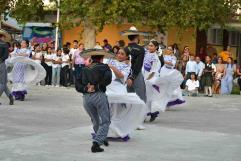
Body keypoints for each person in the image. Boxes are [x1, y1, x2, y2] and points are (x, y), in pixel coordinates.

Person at [75, 49, 112, 153]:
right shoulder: (104, 67)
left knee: (95, 119)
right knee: (105, 121)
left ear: (91, 58)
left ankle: (101, 137)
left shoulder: (84, 69)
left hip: (86, 98)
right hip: (99, 95)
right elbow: (108, 80)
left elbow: (77, 85)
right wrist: (96, 86)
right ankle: (97, 143)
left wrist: (86, 89)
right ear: (102, 58)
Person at [106, 49, 146, 140]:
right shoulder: (110, 60)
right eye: (118, 53)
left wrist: (112, 67)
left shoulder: (127, 66)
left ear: (127, 56)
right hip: (108, 87)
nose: (119, 55)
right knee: (108, 110)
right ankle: (107, 132)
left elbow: (120, 76)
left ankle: (118, 133)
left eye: (122, 54)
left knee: (117, 112)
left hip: (118, 89)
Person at [123, 26, 146, 103]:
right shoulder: (140, 49)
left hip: (126, 75)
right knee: (141, 97)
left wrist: (128, 76)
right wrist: (132, 77)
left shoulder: (124, 49)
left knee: (129, 98)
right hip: (136, 75)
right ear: (137, 36)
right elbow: (138, 65)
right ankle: (141, 114)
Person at [142, 40, 162, 122]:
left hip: (150, 79)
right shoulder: (146, 53)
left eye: (151, 46)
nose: (149, 47)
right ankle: (148, 113)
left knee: (148, 96)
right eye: (149, 45)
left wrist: (146, 79)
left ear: (156, 47)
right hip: (144, 75)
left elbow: (153, 71)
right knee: (145, 96)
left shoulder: (155, 58)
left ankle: (147, 114)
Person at [0, 30, 14, 105]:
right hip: (1, 64)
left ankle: (10, 97)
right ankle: (10, 97)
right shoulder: (4, 44)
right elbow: (5, 56)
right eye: (4, 38)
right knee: (3, 83)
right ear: (2, 37)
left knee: (3, 83)